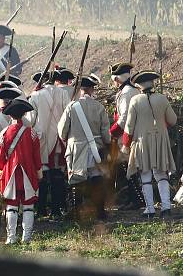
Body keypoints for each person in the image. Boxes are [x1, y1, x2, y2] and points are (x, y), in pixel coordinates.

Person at [124, 71, 178, 218]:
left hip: (142, 141)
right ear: (152, 83)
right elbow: (173, 120)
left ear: (139, 85)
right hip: (160, 139)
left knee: (145, 174)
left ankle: (150, 209)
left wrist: (126, 144)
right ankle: (166, 208)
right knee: (162, 173)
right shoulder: (162, 98)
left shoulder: (135, 101)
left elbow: (129, 127)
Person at [58, 74, 110, 220]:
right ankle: (100, 211)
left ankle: (76, 212)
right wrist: (106, 144)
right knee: (96, 178)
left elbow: (62, 131)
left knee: (76, 180)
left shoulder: (71, 106)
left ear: (80, 89)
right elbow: (105, 133)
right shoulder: (99, 107)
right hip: (95, 150)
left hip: (77, 149)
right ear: (92, 89)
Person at [0, 98, 41, 244]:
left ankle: (11, 237)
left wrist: (4, 168)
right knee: (28, 206)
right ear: (23, 114)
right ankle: (26, 237)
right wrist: (38, 169)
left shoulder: (3, 133)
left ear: (10, 115)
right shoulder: (32, 133)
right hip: (28, 172)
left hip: (10, 173)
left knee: (11, 206)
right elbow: (37, 157)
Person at [26, 70, 70, 218]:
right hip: (58, 139)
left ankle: (41, 209)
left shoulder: (36, 95)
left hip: (42, 140)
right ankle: (57, 209)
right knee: (57, 174)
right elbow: (67, 115)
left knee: (42, 174)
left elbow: (30, 120)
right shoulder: (63, 93)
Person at [108, 62, 144, 210]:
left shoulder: (126, 93)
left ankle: (135, 201)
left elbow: (123, 119)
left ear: (117, 79)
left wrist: (111, 133)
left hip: (126, 136)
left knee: (130, 169)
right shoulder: (133, 90)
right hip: (133, 134)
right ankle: (136, 199)